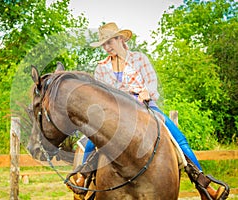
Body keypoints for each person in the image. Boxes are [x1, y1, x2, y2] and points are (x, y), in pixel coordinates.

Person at [74, 22, 229, 200]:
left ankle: (202, 183)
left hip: (144, 106)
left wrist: (147, 92)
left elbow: (151, 84)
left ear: (120, 39)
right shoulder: (101, 68)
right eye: (104, 44)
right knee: (92, 138)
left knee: (176, 136)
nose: (107, 48)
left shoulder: (140, 59)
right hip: (116, 112)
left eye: (109, 42)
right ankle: (83, 178)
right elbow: (102, 95)